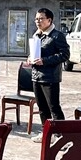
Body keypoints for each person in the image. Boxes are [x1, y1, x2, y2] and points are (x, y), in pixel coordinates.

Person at [30, 8, 70, 142]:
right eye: (36, 19)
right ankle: (46, 133)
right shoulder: (37, 35)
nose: (38, 21)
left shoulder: (57, 36)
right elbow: (35, 53)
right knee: (42, 108)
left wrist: (45, 61)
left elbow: (64, 55)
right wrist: (30, 58)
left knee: (54, 107)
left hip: (50, 77)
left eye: (41, 18)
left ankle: (61, 137)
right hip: (36, 76)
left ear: (49, 20)